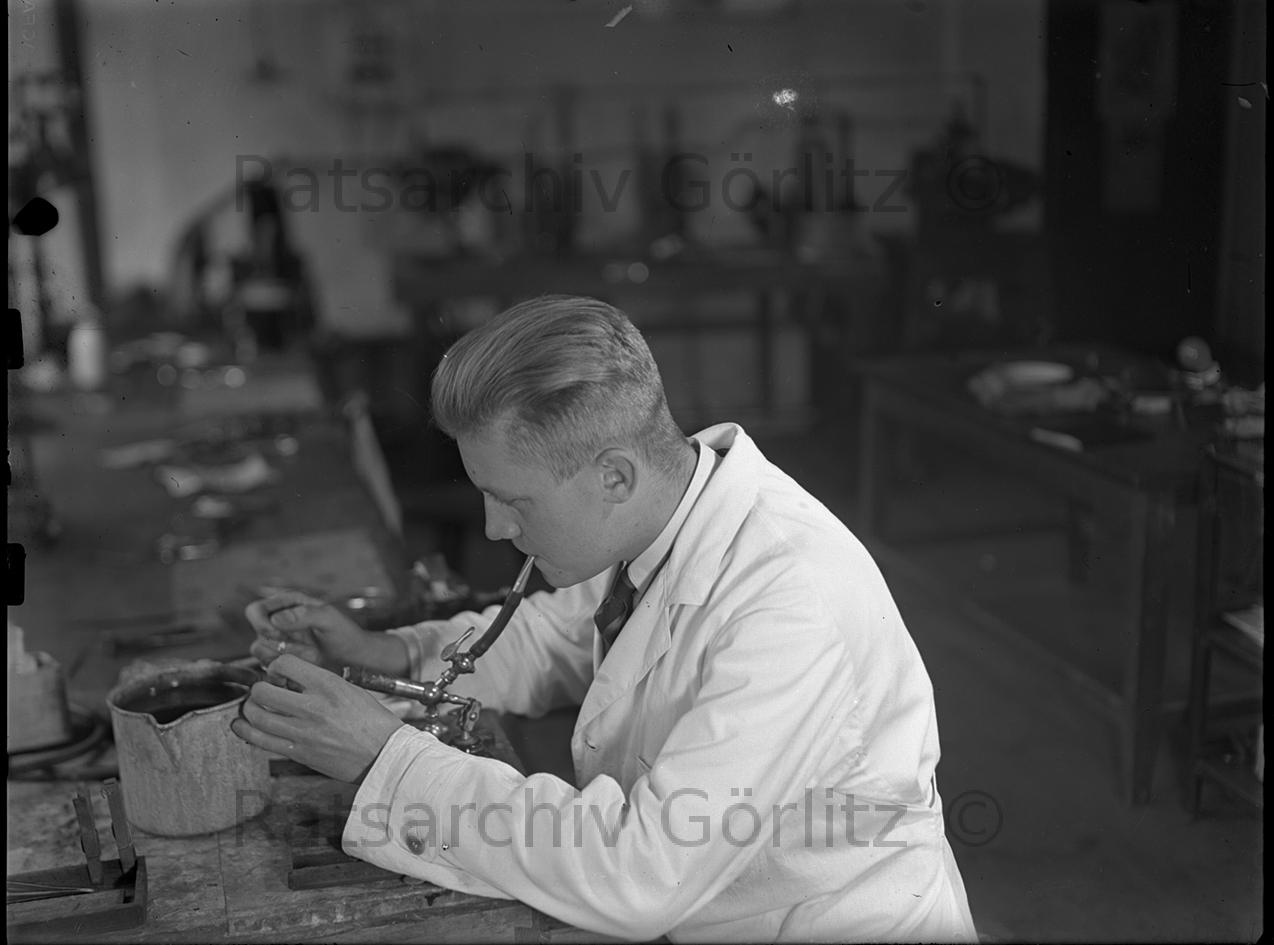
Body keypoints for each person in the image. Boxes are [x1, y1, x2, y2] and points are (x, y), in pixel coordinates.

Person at [232, 295, 977, 942]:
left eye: (514, 501)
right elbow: (559, 635)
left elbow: (642, 870)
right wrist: (386, 651)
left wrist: (387, 761)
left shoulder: (790, 606)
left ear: (614, 474)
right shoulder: (662, 517)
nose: (493, 528)